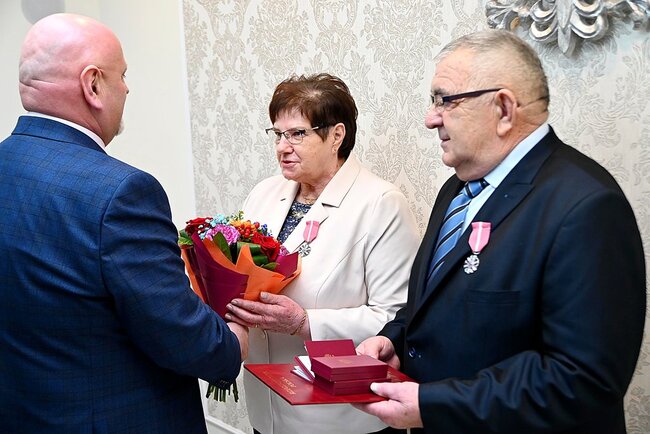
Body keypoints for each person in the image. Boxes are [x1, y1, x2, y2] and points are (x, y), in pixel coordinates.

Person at [355, 29, 646, 433]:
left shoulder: (587, 207)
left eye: (445, 100)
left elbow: (582, 382)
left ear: (504, 109)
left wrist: (434, 405)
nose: (430, 118)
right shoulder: (456, 190)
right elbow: (441, 305)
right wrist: (395, 340)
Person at [0, 13, 248, 434]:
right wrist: (233, 340)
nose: (128, 88)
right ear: (93, 85)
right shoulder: (122, 193)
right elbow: (181, 335)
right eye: (123, 75)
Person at [224, 73, 420, 434]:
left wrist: (305, 323)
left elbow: (396, 316)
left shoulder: (380, 204)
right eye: (277, 134)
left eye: (297, 134)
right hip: (267, 407)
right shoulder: (263, 194)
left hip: (338, 413)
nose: (282, 147)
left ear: (336, 136)